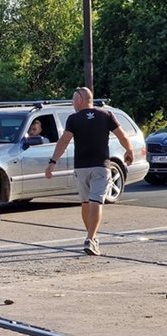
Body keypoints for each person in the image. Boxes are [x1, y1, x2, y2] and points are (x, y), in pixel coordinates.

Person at [45, 87, 134, 256]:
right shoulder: (106, 115)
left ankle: (91, 237)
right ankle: (91, 238)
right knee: (95, 202)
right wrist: (129, 151)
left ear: (80, 100)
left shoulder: (73, 119)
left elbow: (64, 141)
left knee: (86, 202)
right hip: (101, 166)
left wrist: (52, 163)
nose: (72, 103)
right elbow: (122, 135)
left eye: (73, 100)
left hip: (81, 167)